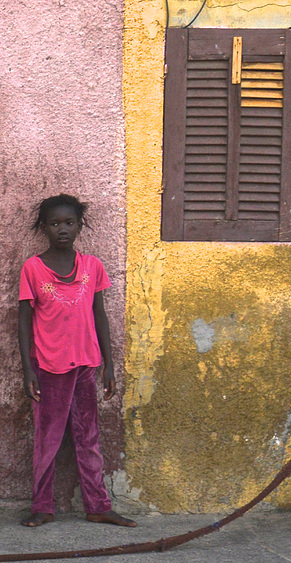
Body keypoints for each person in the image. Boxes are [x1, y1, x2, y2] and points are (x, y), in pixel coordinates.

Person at [18, 194, 136, 528]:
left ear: (79, 225)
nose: (62, 229)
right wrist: (29, 370)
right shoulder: (32, 268)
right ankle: (42, 506)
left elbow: (100, 315)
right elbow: (23, 320)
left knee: (89, 438)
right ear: (44, 227)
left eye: (69, 222)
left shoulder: (92, 266)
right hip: (49, 368)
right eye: (54, 223)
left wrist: (108, 364)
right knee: (48, 439)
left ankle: (98, 505)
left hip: (86, 364)